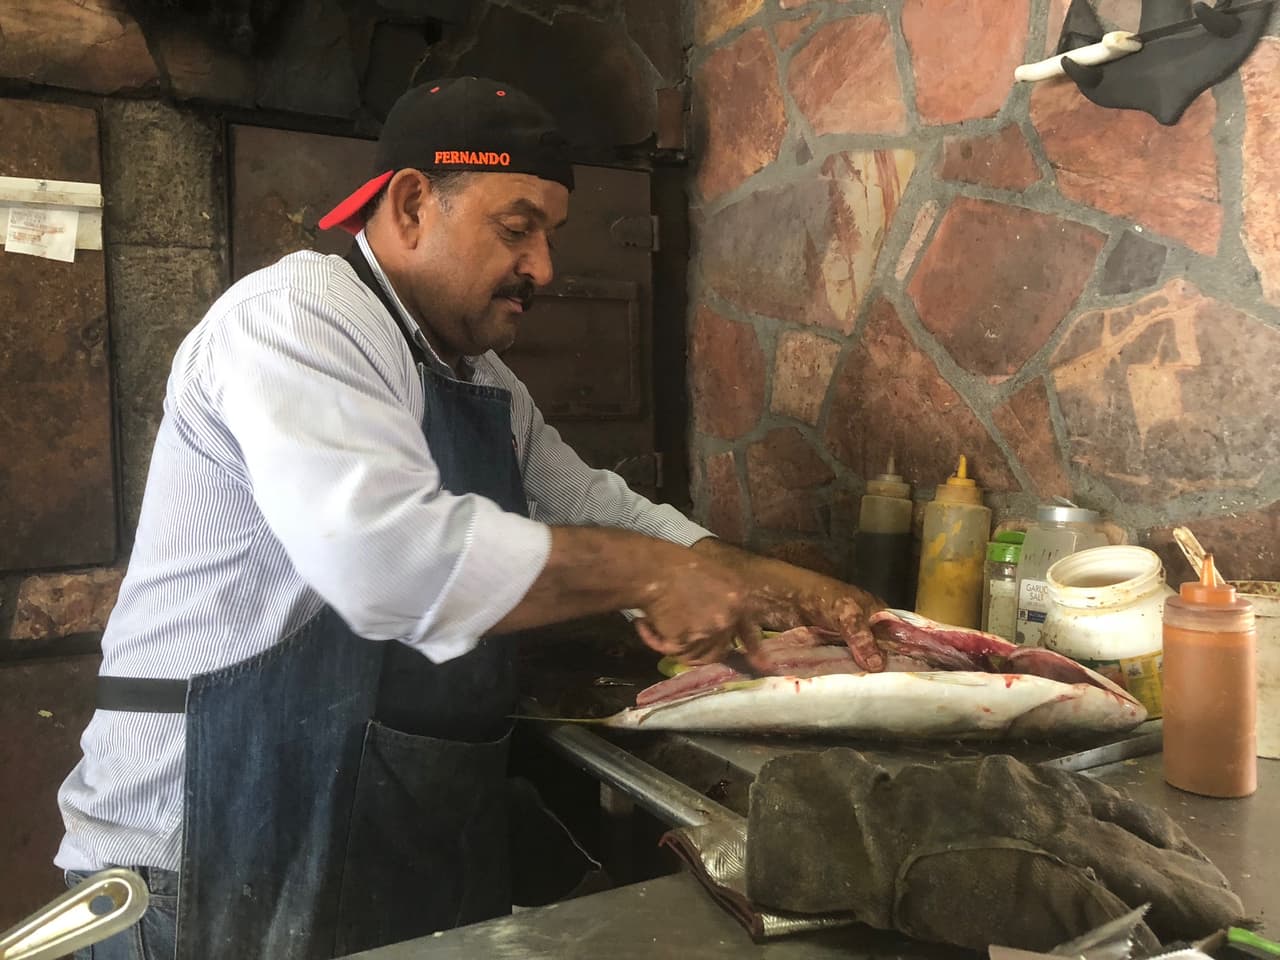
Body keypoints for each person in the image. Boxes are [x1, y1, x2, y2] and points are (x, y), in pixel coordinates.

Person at [56, 77, 882, 960]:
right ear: (412, 204)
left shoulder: (481, 379)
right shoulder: (294, 319)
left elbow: (595, 502)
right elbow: (390, 561)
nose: (545, 270)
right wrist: (655, 576)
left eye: (551, 237)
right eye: (516, 227)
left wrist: (775, 584)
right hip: (200, 868)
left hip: (360, 845)